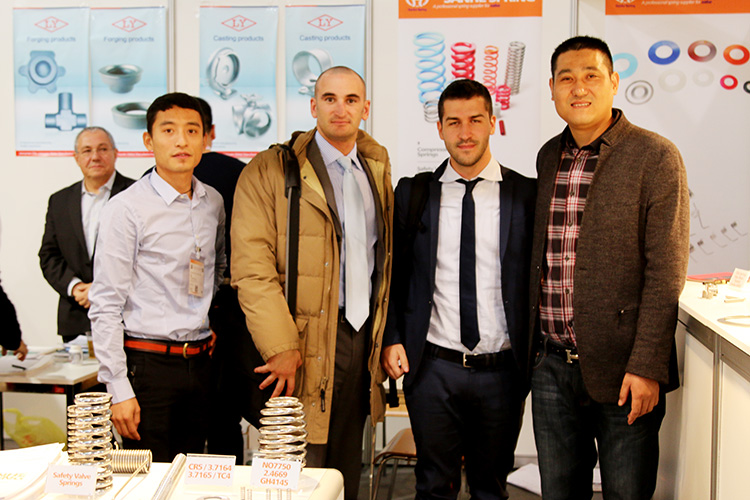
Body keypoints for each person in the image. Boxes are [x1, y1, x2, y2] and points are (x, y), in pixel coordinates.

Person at [529, 36, 689, 499]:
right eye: (566, 78)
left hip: (625, 372)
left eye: (591, 76)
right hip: (552, 367)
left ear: (614, 82)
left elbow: (666, 272)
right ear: (552, 89)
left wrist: (647, 366)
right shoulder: (548, 156)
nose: (578, 88)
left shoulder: (655, 156)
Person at [231, 66, 392, 498]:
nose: (341, 109)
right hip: (299, 340)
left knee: (343, 471)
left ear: (365, 108)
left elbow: (380, 262)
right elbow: (251, 268)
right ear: (313, 105)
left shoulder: (375, 169)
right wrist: (279, 345)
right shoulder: (269, 170)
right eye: (329, 98)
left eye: (351, 99)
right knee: (296, 472)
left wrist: (383, 337)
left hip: (360, 338)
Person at [381, 79, 535, 499]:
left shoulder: (525, 194)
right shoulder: (414, 193)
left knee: (491, 488)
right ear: (440, 129)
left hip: (502, 370)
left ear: (492, 123)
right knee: (433, 485)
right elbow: (394, 273)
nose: (465, 133)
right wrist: (392, 337)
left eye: (475, 120)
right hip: (434, 367)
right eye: (453, 122)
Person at [88, 93, 226, 462]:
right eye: (169, 131)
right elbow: (105, 304)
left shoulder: (213, 202)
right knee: (147, 477)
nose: (181, 141)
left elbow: (217, 270)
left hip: (199, 362)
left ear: (206, 139)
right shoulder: (126, 208)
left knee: (191, 473)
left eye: (191, 131)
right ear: (148, 140)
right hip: (147, 366)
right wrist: (118, 388)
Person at [189, 97, 259, 464]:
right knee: (226, 416)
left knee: (193, 416)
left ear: (206, 133)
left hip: (187, 317)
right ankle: (227, 480)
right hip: (237, 308)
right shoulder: (242, 173)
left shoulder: (153, 181)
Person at [38, 127, 134, 343]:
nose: (95, 157)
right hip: (76, 316)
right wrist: (74, 287)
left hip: (127, 317)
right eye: (87, 150)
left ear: (116, 153)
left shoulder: (136, 194)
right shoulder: (60, 201)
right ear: (76, 158)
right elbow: (49, 255)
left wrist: (101, 289)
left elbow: (147, 256)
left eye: (103, 149)